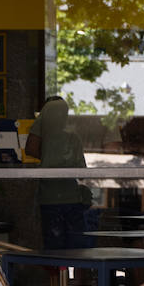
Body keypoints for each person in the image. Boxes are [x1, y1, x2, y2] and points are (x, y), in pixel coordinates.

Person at [25, 95, 94, 251]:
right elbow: (82, 172)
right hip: (71, 197)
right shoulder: (73, 138)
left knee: (54, 249)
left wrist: (48, 156)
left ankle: (56, 276)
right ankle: (77, 275)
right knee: (78, 248)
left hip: (49, 198)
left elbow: (30, 148)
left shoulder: (43, 138)